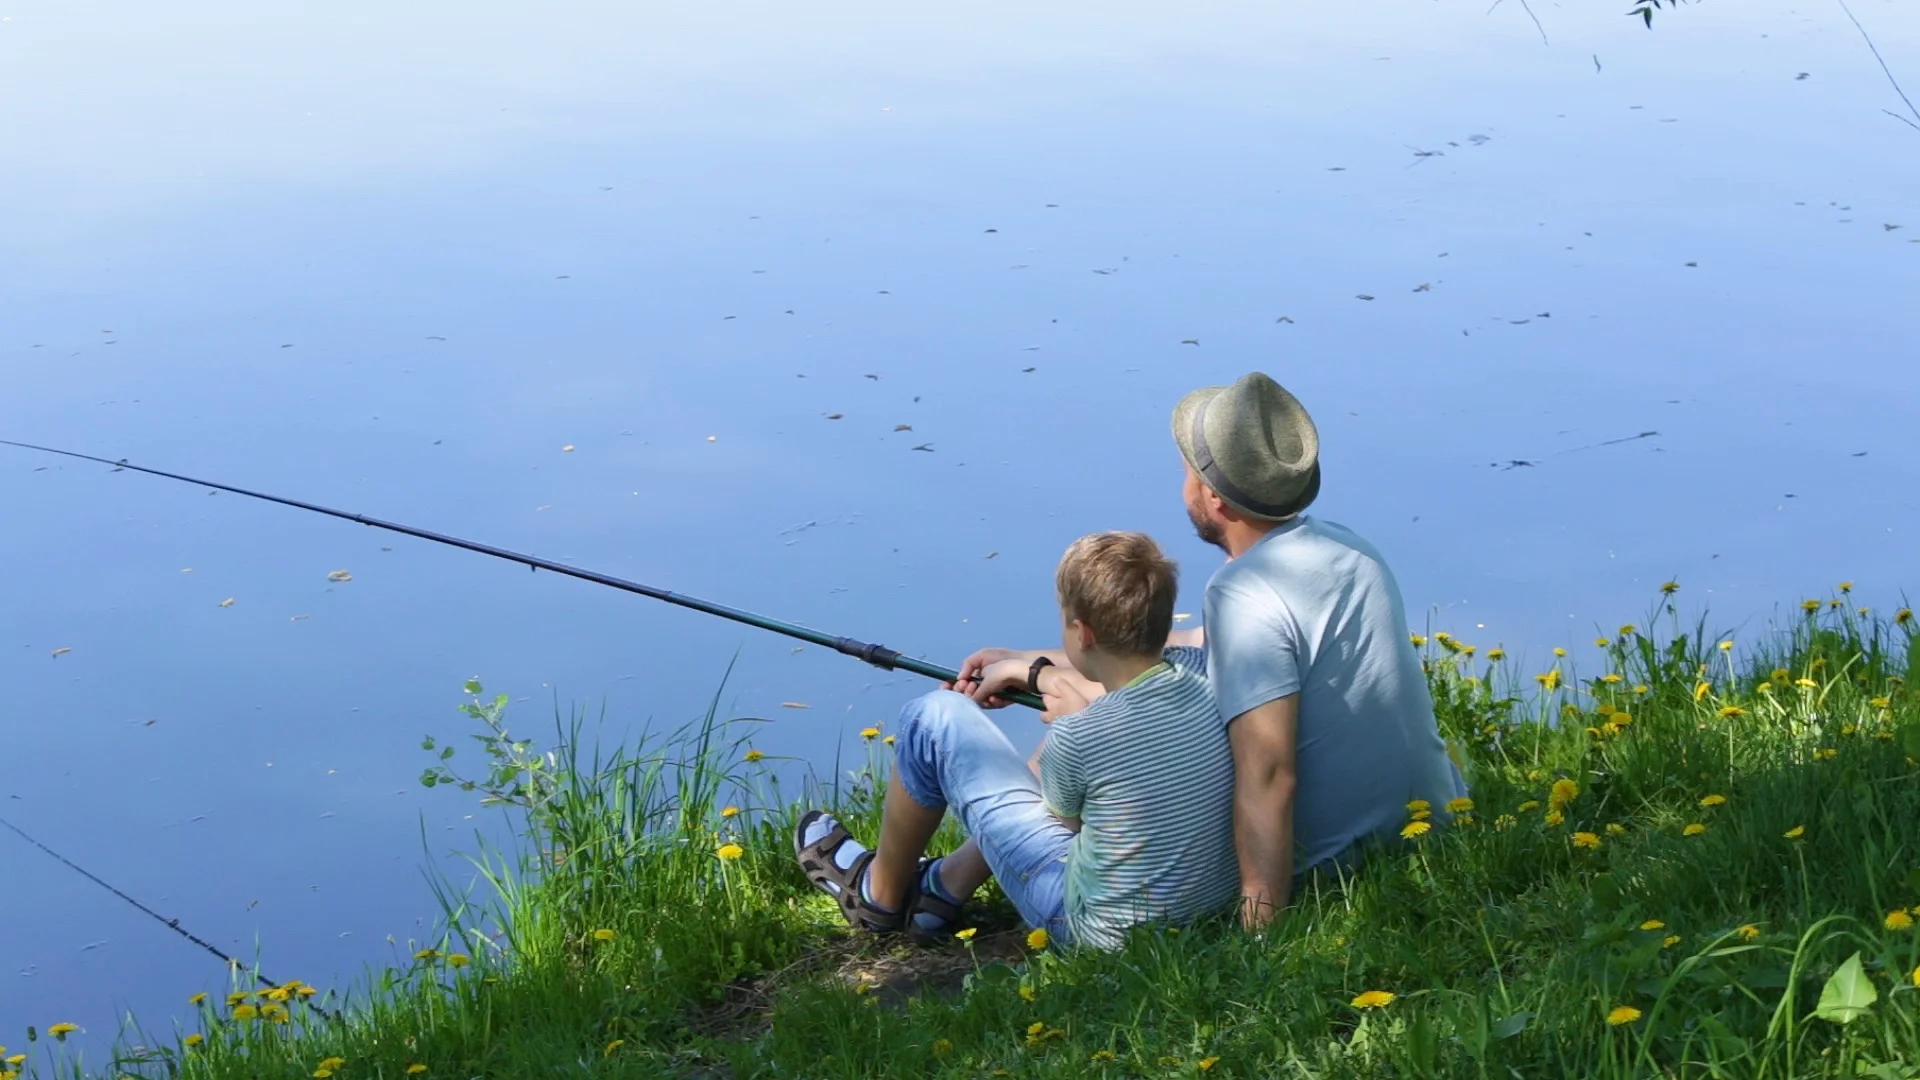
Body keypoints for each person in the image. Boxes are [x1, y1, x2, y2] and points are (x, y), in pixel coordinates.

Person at [952, 371, 1466, 930]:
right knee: (1116, 698)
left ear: (1214, 499)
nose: (1183, 488)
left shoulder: (1243, 592)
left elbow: (1269, 773)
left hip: (1336, 868)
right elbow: (1192, 648)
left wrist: (1258, 933)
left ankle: (932, 888)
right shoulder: (1344, 545)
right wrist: (1032, 664)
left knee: (1087, 732)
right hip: (1428, 831)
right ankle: (946, 884)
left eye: (1187, 476)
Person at [793, 532, 1238, 949]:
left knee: (933, 716)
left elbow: (1060, 824)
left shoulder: (1079, 734)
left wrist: (1067, 727)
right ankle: (937, 895)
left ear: (1082, 633)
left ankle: (877, 897)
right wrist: (1032, 672)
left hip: (1090, 926)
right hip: (1202, 903)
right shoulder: (1204, 673)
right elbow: (1129, 693)